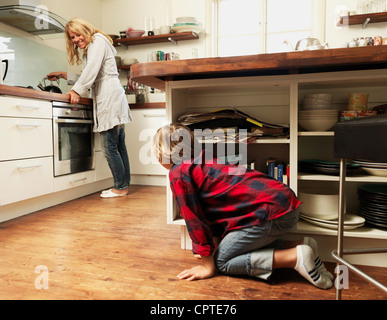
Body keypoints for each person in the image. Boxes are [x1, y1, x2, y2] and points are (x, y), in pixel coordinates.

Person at [152, 123, 333, 289]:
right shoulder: (205, 158)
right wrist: (210, 246)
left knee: (222, 262)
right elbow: (211, 213)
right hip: (285, 203)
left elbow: (195, 220)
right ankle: (301, 244)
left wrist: (207, 265)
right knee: (225, 253)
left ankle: (294, 257)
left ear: (163, 154)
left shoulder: (179, 173)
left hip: (270, 214)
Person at [48, 18, 132, 198]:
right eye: (72, 37)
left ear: (86, 30)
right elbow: (91, 74)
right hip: (111, 95)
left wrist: (76, 90)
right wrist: (65, 75)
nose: (76, 39)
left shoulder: (98, 41)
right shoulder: (94, 45)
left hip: (108, 97)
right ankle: (124, 184)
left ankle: (120, 187)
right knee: (118, 145)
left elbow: (92, 71)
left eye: (78, 34)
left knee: (109, 147)